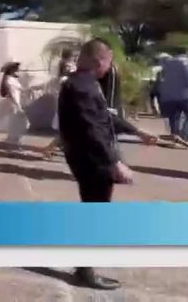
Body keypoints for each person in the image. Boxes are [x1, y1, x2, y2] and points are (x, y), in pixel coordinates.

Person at [58, 38, 134, 290]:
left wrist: (138, 132)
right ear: (99, 60)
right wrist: (115, 162)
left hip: (90, 157)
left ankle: (84, 266)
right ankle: (85, 270)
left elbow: (104, 119)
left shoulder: (85, 84)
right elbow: (93, 129)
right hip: (91, 160)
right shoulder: (82, 86)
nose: (108, 67)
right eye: (108, 62)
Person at [156, 49, 188, 144]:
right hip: (183, 95)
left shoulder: (165, 66)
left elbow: (160, 81)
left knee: (174, 117)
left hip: (168, 96)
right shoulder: (184, 63)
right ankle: (184, 133)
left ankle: (175, 135)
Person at [41, 49, 78, 159]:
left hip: (70, 107)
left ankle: (51, 149)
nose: (71, 68)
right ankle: (48, 149)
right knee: (66, 132)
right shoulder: (64, 80)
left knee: (69, 133)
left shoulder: (67, 79)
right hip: (67, 108)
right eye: (68, 66)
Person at [0, 62, 29, 149]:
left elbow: (21, 90)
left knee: (17, 123)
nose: (18, 71)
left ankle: (13, 141)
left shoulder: (13, 79)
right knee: (21, 123)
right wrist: (18, 106)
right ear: (12, 70)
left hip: (15, 103)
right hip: (13, 104)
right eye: (17, 69)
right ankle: (13, 142)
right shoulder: (9, 80)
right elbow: (12, 94)